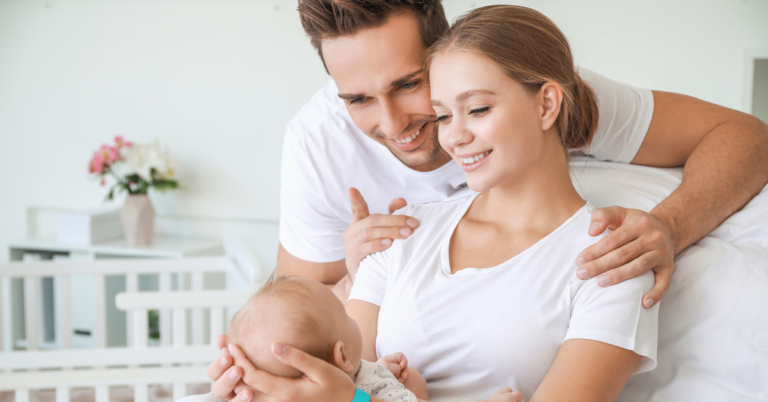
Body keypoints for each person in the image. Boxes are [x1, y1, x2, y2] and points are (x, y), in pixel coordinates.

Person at [209, 0, 768, 399]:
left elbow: (745, 137)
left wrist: (666, 226)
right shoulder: (332, 161)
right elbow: (300, 330)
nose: (397, 124)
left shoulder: (601, 247)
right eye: (358, 99)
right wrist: (259, 371)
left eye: (411, 86)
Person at [347, 5, 659, 400]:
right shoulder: (403, 232)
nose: (454, 137)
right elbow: (336, 384)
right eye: (442, 117)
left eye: (477, 109)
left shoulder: (613, 262)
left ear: (546, 104)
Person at [224, 275, 521, 402]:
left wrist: (378, 370)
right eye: (347, 315)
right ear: (342, 357)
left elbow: (410, 387)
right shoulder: (363, 391)